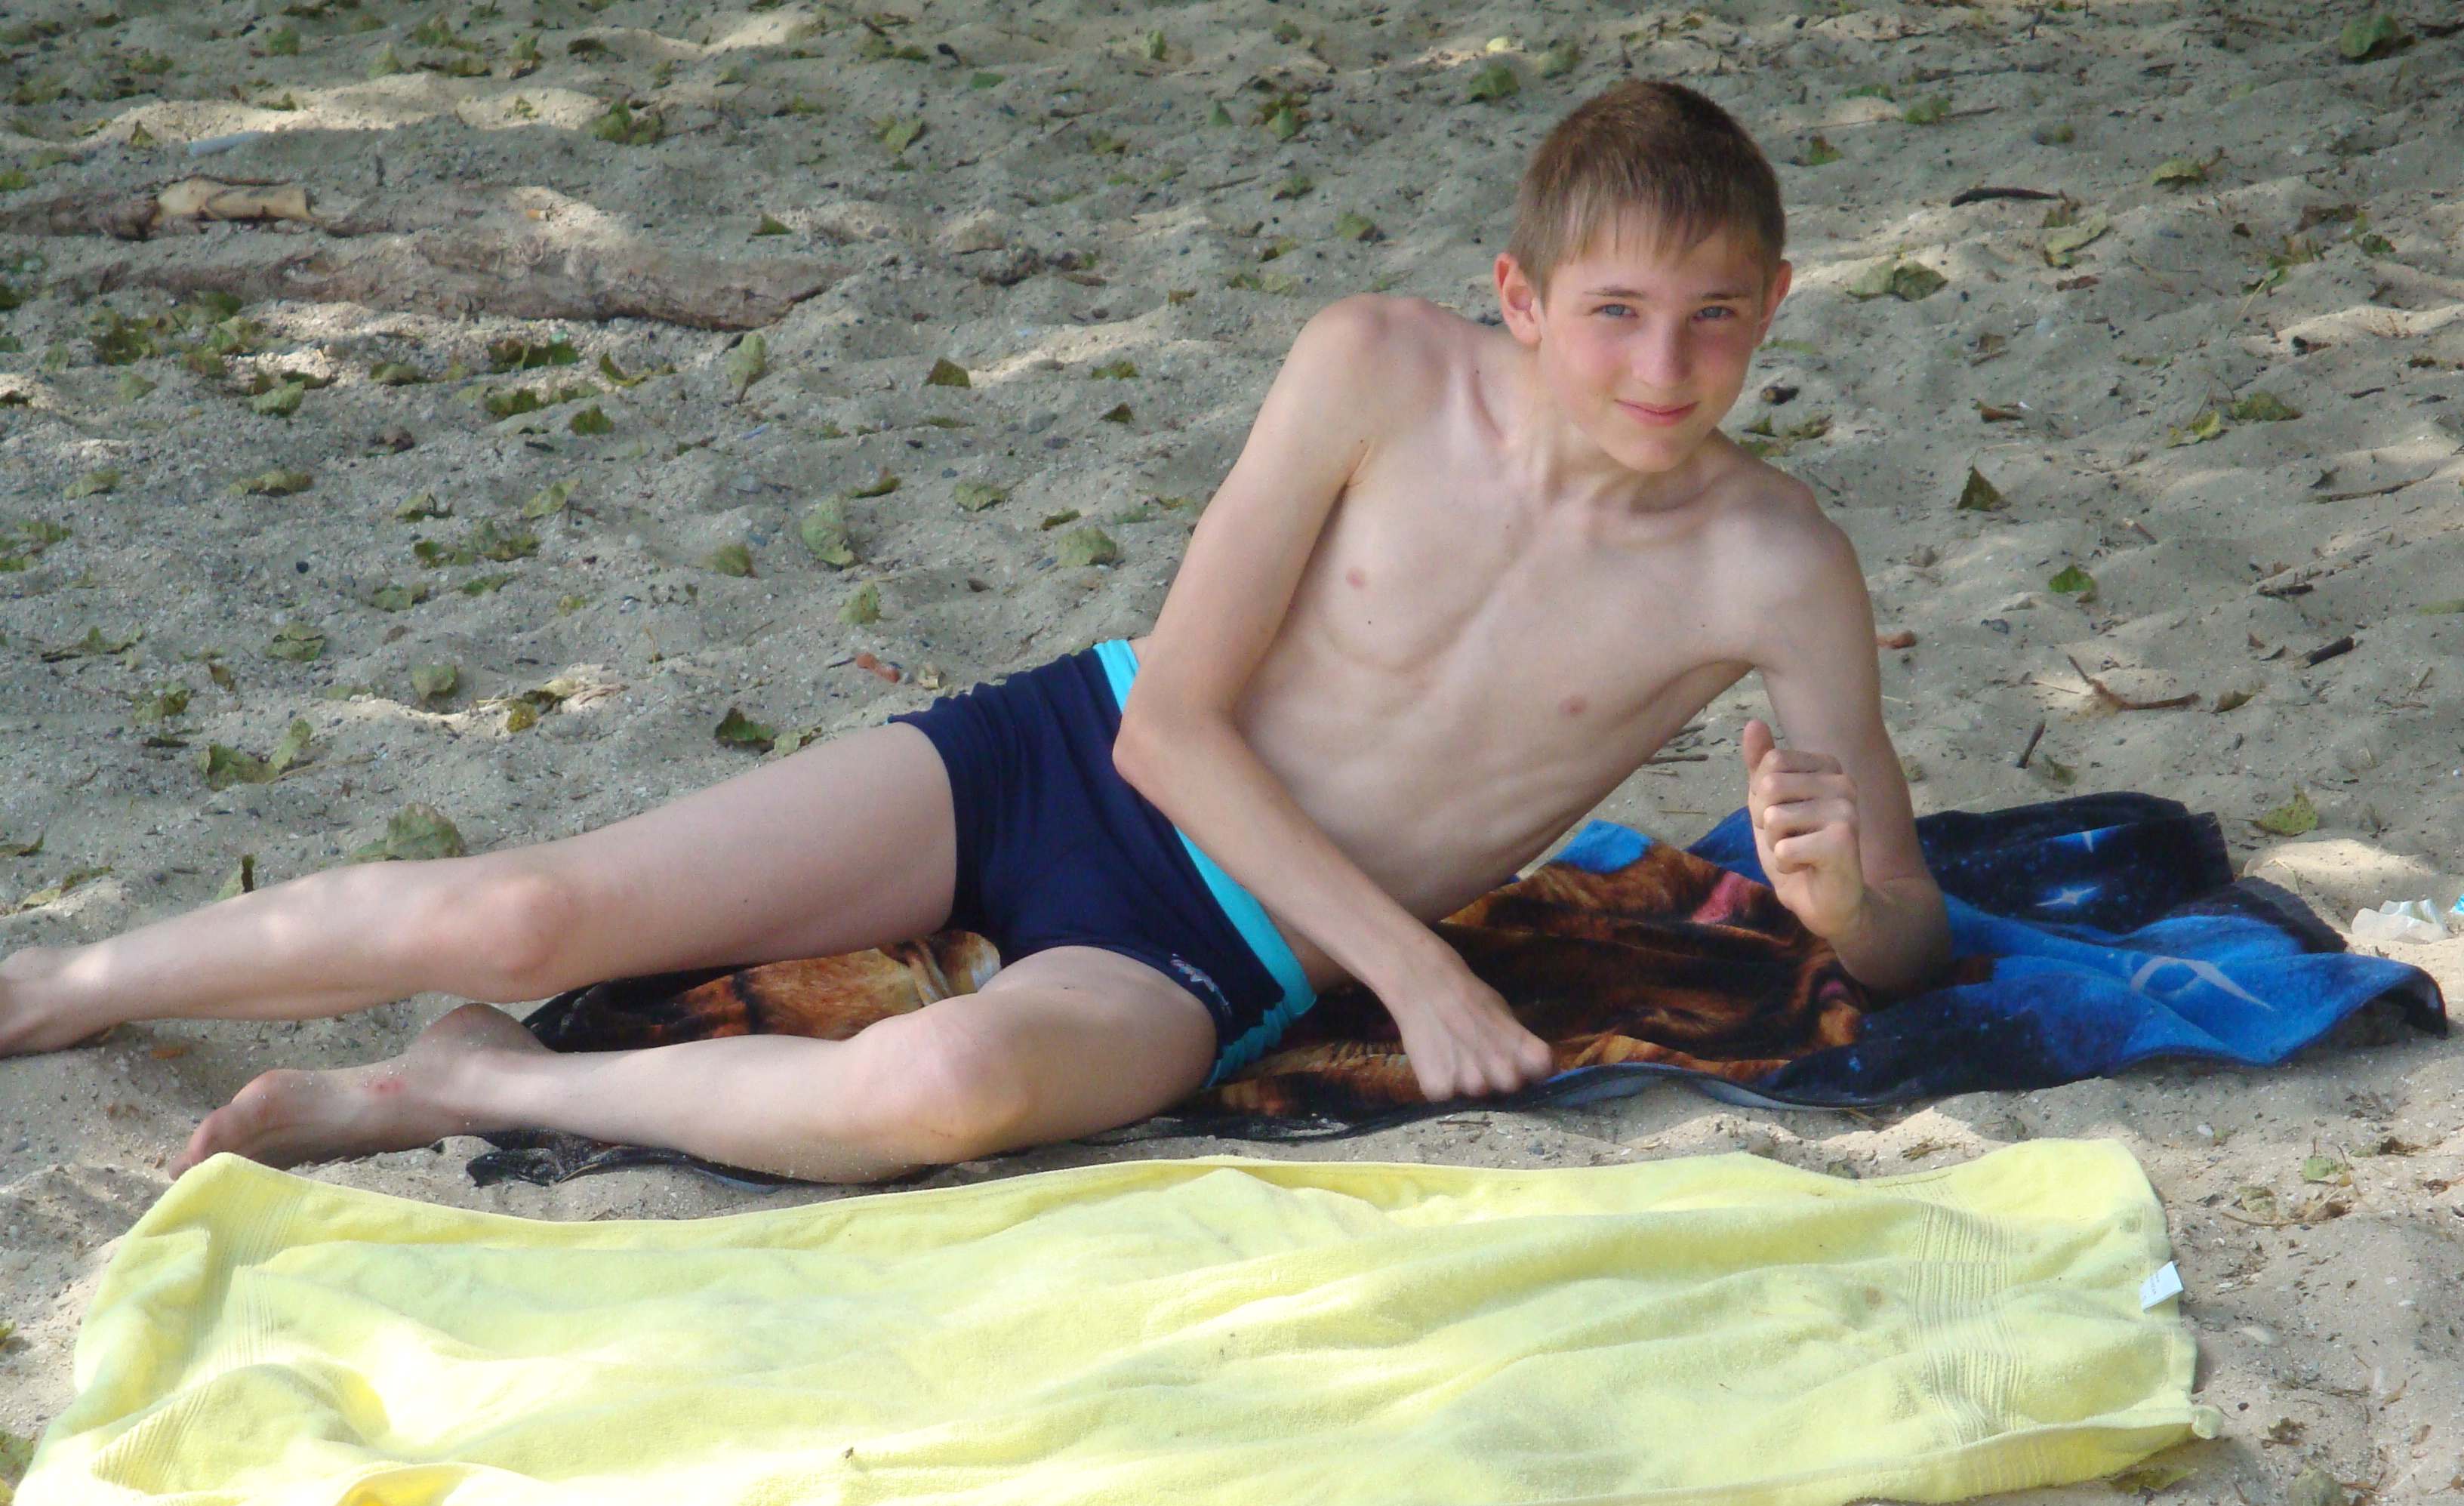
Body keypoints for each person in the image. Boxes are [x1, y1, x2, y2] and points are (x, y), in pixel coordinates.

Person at [0, 80, 1948, 1185]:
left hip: (1222, 949)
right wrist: (1422, 977)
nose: (1664, 365)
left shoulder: (1774, 563)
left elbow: (1913, 935)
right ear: (1521, 299)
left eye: (1713, 317)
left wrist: (1842, 900)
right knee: (526, 912)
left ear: (1774, 304)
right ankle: (63, 983)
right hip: (1063, 756)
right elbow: (1171, 728)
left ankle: (475, 1085)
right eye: (1616, 314)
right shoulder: (1373, 368)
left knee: (934, 1096)